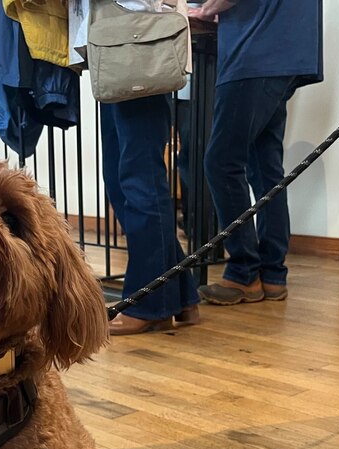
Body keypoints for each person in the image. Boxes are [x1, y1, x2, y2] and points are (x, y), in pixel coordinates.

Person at [189, 0, 323, 306]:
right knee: (265, 166)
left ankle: (243, 273)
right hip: (286, 49)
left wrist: (208, 8)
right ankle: (272, 274)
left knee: (221, 162)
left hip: (254, 49)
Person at [101, 1, 200, 336]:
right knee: (122, 180)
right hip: (117, 48)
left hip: (136, 43)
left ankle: (149, 303)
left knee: (138, 180)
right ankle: (181, 295)